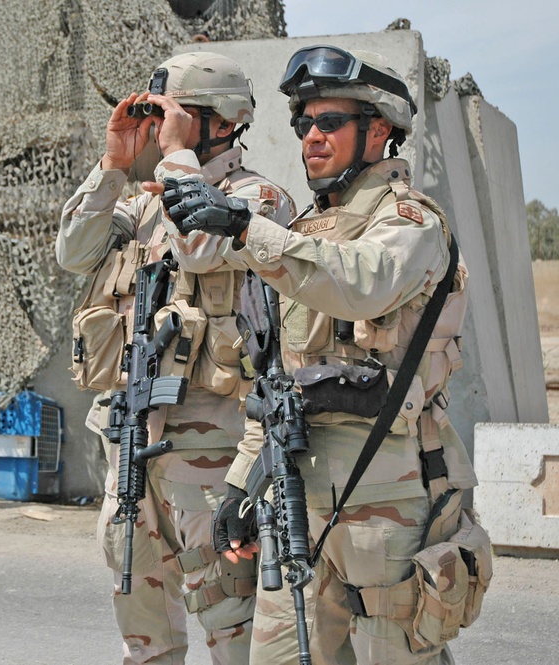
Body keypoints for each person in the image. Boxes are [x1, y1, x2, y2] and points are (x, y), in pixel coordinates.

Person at [161, 46, 490, 664]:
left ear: (379, 130)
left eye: (330, 122)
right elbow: (284, 382)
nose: (312, 136)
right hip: (298, 500)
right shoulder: (305, 234)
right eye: (303, 124)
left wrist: (244, 226)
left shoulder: (411, 222)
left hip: (389, 499)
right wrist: (238, 488)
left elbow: (359, 281)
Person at [56, 51, 294, 664]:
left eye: (176, 115)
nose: (162, 126)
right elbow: (73, 251)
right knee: (141, 617)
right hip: (131, 435)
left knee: (227, 614)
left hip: (211, 451)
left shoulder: (257, 201)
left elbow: (197, 248)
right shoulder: (140, 206)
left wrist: (175, 156)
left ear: (221, 120)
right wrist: (113, 162)